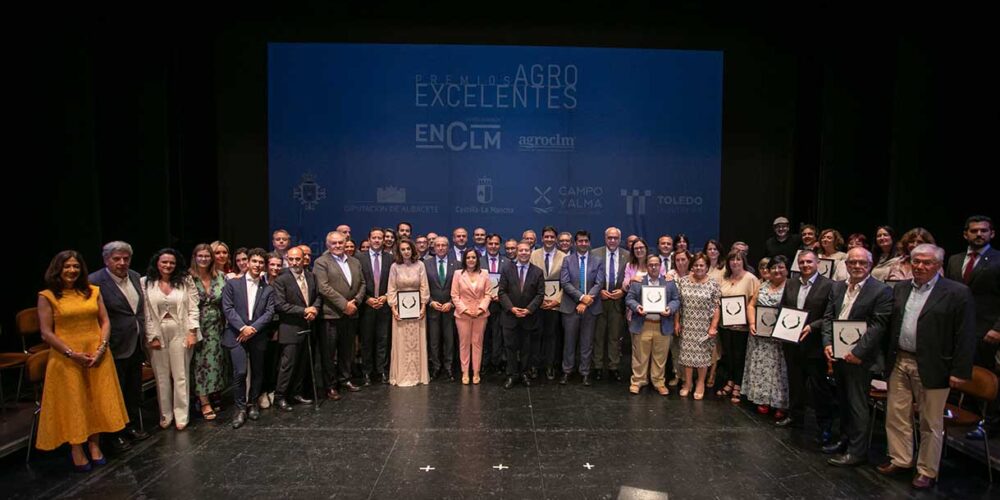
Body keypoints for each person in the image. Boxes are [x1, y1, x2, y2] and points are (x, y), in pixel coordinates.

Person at [876, 244, 975, 489]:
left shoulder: (956, 293)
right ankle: (901, 459)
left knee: (931, 422)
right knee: (896, 414)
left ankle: (926, 470)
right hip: (900, 359)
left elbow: (965, 335)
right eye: (916, 261)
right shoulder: (900, 288)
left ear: (939, 265)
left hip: (934, 365)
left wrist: (960, 372)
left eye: (927, 262)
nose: (920, 266)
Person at [36, 250, 128, 471]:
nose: (72, 270)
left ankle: (94, 444)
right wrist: (71, 353)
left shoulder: (92, 291)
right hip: (66, 356)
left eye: (76, 266)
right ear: (58, 269)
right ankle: (76, 448)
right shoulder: (47, 296)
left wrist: (101, 348)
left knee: (94, 398)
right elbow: (46, 333)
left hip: (96, 353)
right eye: (67, 266)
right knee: (74, 401)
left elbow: (105, 321)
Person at [820, 247, 893, 467]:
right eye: (853, 263)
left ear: (870, 265)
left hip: (861, 359)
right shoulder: (837, 287)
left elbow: (878, 327)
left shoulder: (881, 291)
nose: (857, 267)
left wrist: (857, 353)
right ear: (847, 265)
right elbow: (828, 318)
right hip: (838, 354)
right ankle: (844, 440)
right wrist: (828, 344)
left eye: (862, 263)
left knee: (857, 405)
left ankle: (857, 451)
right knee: (842, 401)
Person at [88, 241, 149, 451]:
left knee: (133, 389)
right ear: (106, 260)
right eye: (117, 259)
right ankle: (114, 434)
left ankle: (130, 425)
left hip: (136, 343)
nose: (122, 263)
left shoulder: (134, 276)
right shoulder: (95, 282)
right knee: (115, 392)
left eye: (126, 258)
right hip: (113, 345)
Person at [944, 215, 999, 439]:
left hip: (987, 331)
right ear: (965, 234)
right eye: (974, 231)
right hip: (958, 329)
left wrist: (998, 327)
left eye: (983, 231)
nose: (979, 234)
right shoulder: (955, 260)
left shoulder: (998, 260)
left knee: (988, 378)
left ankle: (991, 424)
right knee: (963, 376)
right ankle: (969, 418)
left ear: (991, 234)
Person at [776, 249, 834, 439]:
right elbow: (784, 307)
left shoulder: (829, 285)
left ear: (817, 263)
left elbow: (830, 315)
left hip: (815, 345)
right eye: (801, 262)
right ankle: (795, 417)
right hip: (792, 342)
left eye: (809, 262)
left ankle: (824, 426)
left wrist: (812, 326)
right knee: (795, 383)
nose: (805, 265)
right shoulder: (791, 283)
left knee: (818, 388)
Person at [141, 248, 200, 430]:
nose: (168, 266)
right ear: (157, 263)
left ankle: (182, 415)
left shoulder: (185, 281)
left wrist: (192, 332)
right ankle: (165, 415)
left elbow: (193, 307)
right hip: (158, 332)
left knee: (181, 374)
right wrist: (152, 336)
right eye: (164, 262)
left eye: (171, 263)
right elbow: (146, 313)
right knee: (161, 377)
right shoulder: (145, 282)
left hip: (181, 331)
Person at [221, 248, 275, 429]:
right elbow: (227, 309)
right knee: (241, 372)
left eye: (261, 263)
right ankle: (240, 408)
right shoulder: (233, 284)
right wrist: (243, 328)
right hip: (236, 335)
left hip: (257, 335)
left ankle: (253, 404)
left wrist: (252, 329)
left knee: (258, 371)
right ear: (248, 262)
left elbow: (269, 313)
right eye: (254, 261)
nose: (257, 265)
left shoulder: (267, 289)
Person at [314, 230, 366, 397]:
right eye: (334, 243)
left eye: (340, 242)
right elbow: (323, 287)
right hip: (331, 315)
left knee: (347, 350)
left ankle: (345, 379)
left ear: (346, 243)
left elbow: (362, 284)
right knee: (329, 353)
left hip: (351, 314)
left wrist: (356, 302)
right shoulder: (321, 262)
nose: (337, 246)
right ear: (328, 245)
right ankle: (330, 385)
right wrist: (345, 305)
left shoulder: (355, 262)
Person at [271, 246, 320, 411]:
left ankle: (296, 393)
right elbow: (280, 305)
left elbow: (317, 297)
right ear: (287, 259)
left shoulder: (311, 276)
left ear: (304, 259)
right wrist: (304, 310)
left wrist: (314, 309)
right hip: (290, 328)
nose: (294, 262)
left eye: (297, 259)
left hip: (307, 325)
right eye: (291, 259)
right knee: (288, 365)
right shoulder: (281, 279)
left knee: (302, 364)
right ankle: (280, 397)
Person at [624, 254, 680, 395]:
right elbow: (629, 299)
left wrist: (670, 309)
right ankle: (638, 381)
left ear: (660, 266)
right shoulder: (638, 281)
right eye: (651, 265)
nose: (654, 267)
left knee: (660, 357)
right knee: (640, 356)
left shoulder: (669, 282)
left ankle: (658, 381)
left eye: (656, 264)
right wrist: (637, 307)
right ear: (646, 266)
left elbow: (676, 300)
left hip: (662, 324)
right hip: (643, 324)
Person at [743, 256, 790, 420]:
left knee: (778, 370)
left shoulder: (791, 287)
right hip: (760, 336)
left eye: (780, 267)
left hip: (779, 338)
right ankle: (762, 400)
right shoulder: (762, 286)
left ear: (787, 269)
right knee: (761, 368)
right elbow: (750, 305)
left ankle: (779, 403)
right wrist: (752, 322)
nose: (777, 271)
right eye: (773, 268)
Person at [559, 230, 605, 386]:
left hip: (591, 308)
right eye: (580, 241)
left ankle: (585, 372)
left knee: (587, 342)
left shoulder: (598, 261)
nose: (583, 243)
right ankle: (567, 371)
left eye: (586, 241)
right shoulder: (567, 260)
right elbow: (565, 283)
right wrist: (581, 297)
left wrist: (586, 301)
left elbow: (599, 283)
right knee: (569, 342)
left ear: (589, 242)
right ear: (575, 243)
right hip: (570, 307)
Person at [189, 244, 228, 422]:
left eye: (207, 256)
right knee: (198, 364)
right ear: (195, 257)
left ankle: (212, 394)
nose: (204, 259)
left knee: (215, 363)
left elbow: (227, 302)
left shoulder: (220, 277)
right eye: (200, 256)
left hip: (216, 326)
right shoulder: (187, 278)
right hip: (195, 326)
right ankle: (203, 401)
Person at [498, 240, 545, 389]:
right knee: (510, 347)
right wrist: (511, 309)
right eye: (521, 250)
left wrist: (529, 309)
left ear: (531, 252)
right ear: (516, 252)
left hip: (528, 317)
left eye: (527, 250)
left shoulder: (538, 272)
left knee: (526, 348)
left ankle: (524, 373)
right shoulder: (506, 269)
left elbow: (540, 294)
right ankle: (512, 375)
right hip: (510, 316)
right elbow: (502, 292)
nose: (524, 253)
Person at [674, 252, 721, 399]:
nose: (699, 267)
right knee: (687, 357)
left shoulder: (713, 284)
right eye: (696, 265)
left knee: (702, 358)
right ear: (691, 266)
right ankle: (688, 383)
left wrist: (713, 326)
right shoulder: (683, 281)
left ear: (707, 267)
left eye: (702, 265)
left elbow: (717, 307)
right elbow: (678, 305)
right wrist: (676, 322)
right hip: (687, 325)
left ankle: (700, 383)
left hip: (705, 326)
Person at [716, 249, 760, 404]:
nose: (735, 262)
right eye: (732, 259)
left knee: (739, 356)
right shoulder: (725, 278)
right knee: (728, 355)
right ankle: (730, 381)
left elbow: (754, 303)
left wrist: (750, 321)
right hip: (725, 325)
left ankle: (738, 385)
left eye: (738, 259)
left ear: (743, 261)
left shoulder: (751, 279)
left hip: (742, 327)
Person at [387, 239, 431, 386]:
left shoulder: (420, 265)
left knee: (417, 342)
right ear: (399, 252)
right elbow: (391, 288)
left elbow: (424, 286)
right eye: (403, 249)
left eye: (408, 249)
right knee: (402, 342)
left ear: (413, 250)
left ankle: (418, 376)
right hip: (400, 311)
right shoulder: (394, 267)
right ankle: (403, 375)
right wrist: (393, 308)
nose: (406, 251)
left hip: (417, 310)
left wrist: (423, 306)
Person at [591, 227, 629, 382]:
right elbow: (589, 276)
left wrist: (623, 291)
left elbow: (630, 278)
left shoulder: (627, 255)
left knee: (614, 336)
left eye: (615, 238)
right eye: (609, 238)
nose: (612, 240)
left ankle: (614, 367)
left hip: (617, 302)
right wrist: (598, 291)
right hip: (599, 300)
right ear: (605, 238)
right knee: (598, 336)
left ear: (620, 239)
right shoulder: (595, 253)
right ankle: (597, 367)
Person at [357, 227, 393, 385]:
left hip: (384, 306)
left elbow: (394, 282)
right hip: (366, 306)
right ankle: (366, 373)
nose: (377, 240)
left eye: (380, 238)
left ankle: (382, 371)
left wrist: (386, 297)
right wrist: (366, 299)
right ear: (369, 239)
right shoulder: (359, 258)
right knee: (366, 341)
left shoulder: (390, 258)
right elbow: (355, 283)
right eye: (374, 238)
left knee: (382, 340)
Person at [451, 248, 492, 384]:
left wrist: (481, 309)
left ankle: (476, 372)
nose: (471, 260)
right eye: (468, 257)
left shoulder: (484, 273)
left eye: (473, 257)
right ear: (464, 259)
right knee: (464, 344)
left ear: (477, 259)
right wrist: (465, 310)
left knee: (477, 344)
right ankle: (465, 372)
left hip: (480, 314)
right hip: (463, 315)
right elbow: (454, 295)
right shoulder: (458, 274)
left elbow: (488, 294)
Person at [531, 226, 565, 380]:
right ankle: (535, 366)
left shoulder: (564, 257)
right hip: (536, 303)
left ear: (555, 239)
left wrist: (556, 300)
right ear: (542, 238)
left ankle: (549, 366)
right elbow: (529, 280)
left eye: (552, 237)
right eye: (547, 237)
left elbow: (567, 282)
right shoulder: (533, 255)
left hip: (555, 304)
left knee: (551, 336)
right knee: (535, 335)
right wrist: (539, 299)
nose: (549, 239)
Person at [424, 236, 458, 381]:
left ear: (448, 247)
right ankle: (436, 367)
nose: (440, 248)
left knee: (450, 340)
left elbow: (460, 288)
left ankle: (449, 368)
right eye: (438, 245)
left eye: (444, 245)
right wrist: (430, 302)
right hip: (433, 309)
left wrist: (451, 302)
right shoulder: (426, 264)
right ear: (433, 247)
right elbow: (423, 286)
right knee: (434, 341)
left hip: (450, 309)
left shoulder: (456, 264)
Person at [482, 233, 511, 374]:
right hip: (483, 306)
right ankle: (485, 363)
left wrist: (501, 297)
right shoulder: (478, 261)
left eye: (496, 244)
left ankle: (499, 362)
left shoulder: (507, 262)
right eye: (490, 244)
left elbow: (511, 285)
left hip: (501, 306)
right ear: (486, 245)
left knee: (500, 336)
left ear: (500, 245)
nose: (493, 246)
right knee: (484, 335)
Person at [667, 249, 693, 386]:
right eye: (677, 260)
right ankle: (677, 375)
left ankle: (687, 379)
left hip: (691, 317)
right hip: (672, 317)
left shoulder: (695, 275)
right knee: (675, 349)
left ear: (689, 260)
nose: (680, 262)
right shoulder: (670, 275)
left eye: (683, 259)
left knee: (688, 349)